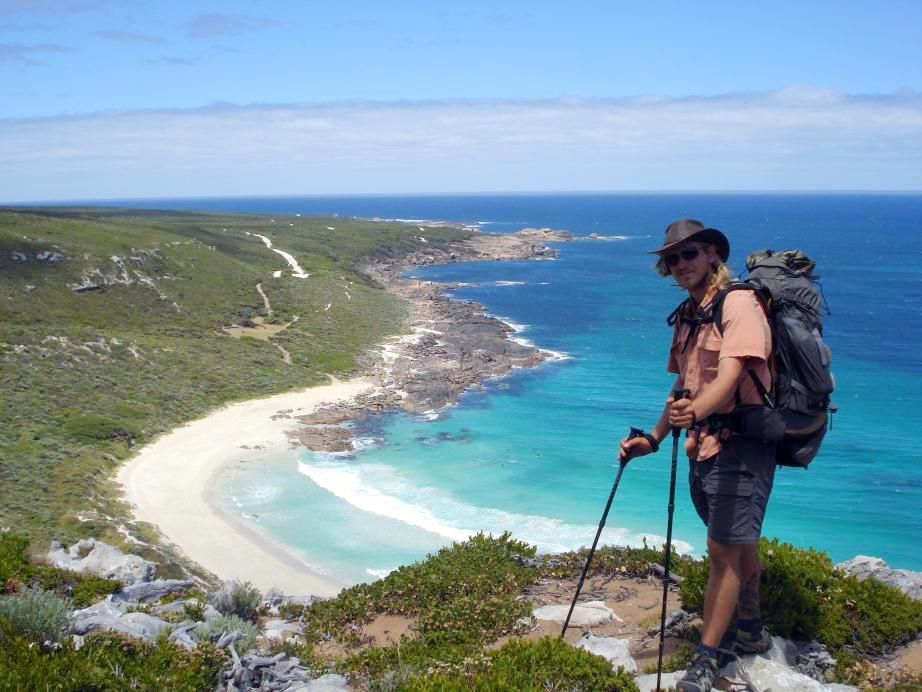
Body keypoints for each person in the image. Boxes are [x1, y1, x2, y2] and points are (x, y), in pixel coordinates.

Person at [619, 219, 775, 692]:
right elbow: (683, 385)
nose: (680, 264)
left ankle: (709, 656)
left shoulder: (740, 304)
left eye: (690, 254)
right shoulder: (689, 314)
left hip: (741, 445)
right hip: (699, 447)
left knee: (720, 552)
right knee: (736, 543)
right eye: (673, 258)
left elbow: (730, 374)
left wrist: (697, 412)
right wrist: (657, 435)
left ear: (712, 255)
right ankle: (750, 628)